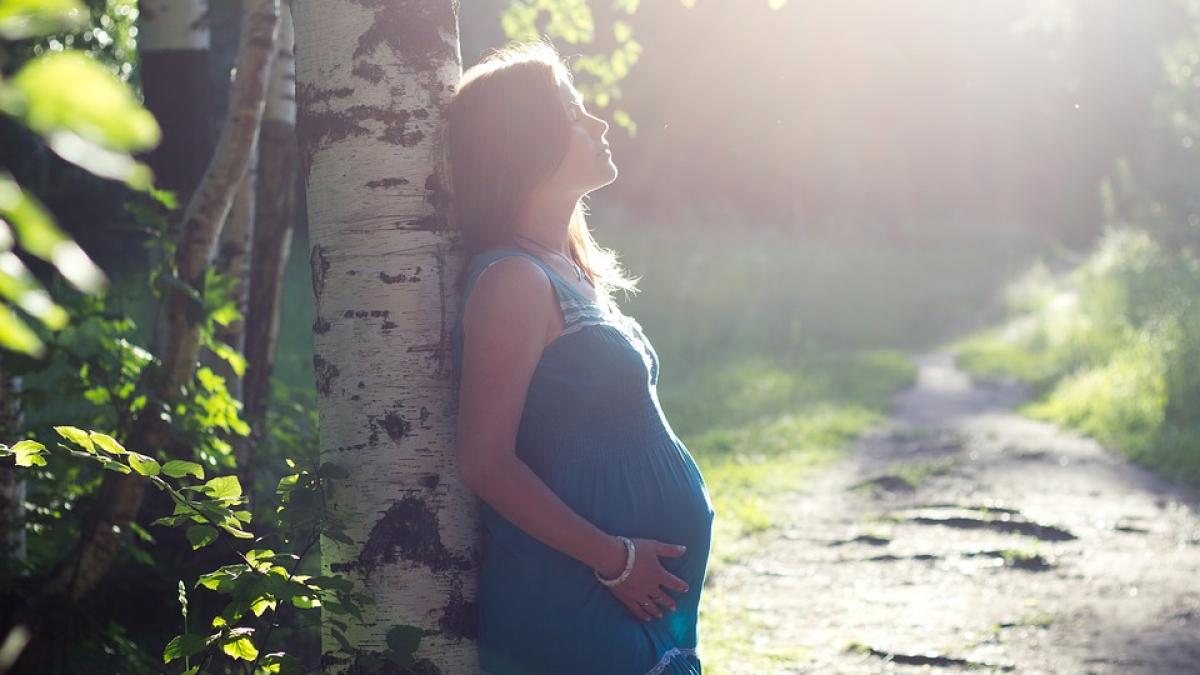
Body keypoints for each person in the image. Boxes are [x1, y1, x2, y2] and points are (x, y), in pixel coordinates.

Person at [445, 40, 716, 675]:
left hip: (629, 606)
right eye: (572, 112)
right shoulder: (513, 280)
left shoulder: (564, 268)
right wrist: (612, 557)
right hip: (574, 603)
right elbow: (484, 461)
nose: (596, 123)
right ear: (526, 141)